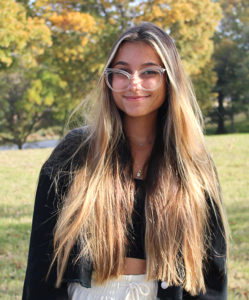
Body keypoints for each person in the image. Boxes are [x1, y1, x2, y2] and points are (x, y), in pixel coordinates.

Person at [22, 22, 229, 300]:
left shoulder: (192, 161)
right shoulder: (73, 154)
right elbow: (42, 267)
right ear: (108, 79)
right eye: (121, 72)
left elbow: (210, 274)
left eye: (149, 72)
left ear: (170, 79)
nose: (133, 83)